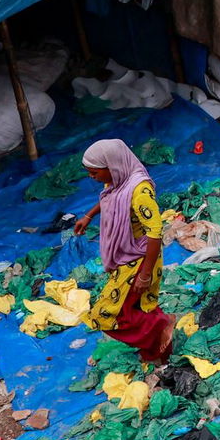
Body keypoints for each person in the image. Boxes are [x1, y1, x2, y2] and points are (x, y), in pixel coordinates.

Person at [74, 139, 174, 364]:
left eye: (94, 172)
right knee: (135, 306)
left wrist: (145, 273)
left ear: (113, 166)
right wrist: (89, 216)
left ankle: (161, 328)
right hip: (125, 254)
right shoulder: (118, 180)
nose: (92, 177)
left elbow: (155, 232)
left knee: (109, 313)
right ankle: (156, 352)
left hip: (139, 256)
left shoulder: (140, 190)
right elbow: (110, 197)